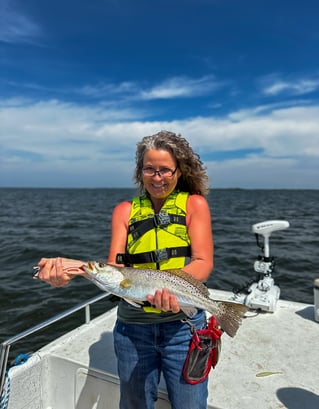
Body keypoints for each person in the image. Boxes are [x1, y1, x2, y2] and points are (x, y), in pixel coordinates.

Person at [37, 130, 214, 409]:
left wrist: (173, 290)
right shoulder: (124, 211)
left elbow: (203, 261)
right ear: (139, 171)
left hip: (184, 327)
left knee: (190, 404)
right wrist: (69, 272)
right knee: (133, 403)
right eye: (149, 169)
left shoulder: (195, 204)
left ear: (179, 171)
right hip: (133, 330)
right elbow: (115, 271)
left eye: (165, 170)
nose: (157, 178)